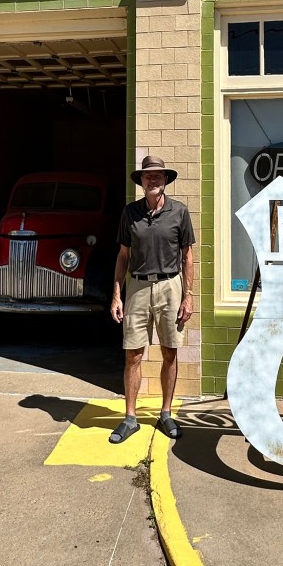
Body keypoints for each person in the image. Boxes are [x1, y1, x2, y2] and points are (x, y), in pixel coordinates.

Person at [109, 155, 195, 443]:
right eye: (148, 176)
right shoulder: (130, 213)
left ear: (166, 179)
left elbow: (188, 257)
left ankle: (166, 413)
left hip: (171, 287)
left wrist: (188, 296)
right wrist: (117, 295)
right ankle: (130, 418)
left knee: (170, 352)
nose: (153, 179)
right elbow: (123, 256)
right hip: (138, 287)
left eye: (158, 175)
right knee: (133, 354)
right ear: (142, 182)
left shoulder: (179, 212)